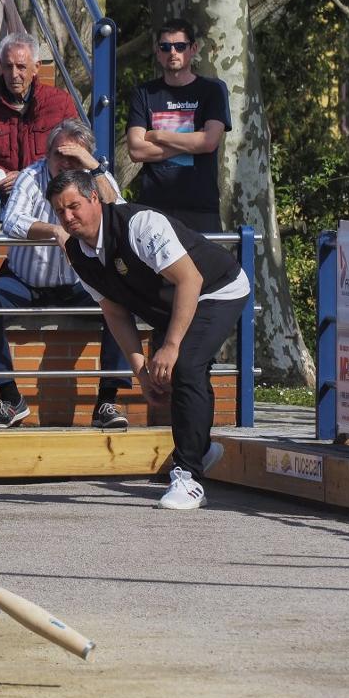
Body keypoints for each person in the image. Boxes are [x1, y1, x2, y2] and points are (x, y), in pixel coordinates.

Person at [48, 170, 249, 509]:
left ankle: (188, 477)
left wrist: (170, 346)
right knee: (175, 374)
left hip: (216, 288)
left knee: (185, 364)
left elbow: (189, 280)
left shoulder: (139, 225)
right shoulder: (78, 253)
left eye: (74, 206)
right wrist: (140, 371)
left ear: (94, 198)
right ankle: (199, 450)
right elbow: (115, 313)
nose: (68, 217)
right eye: (59, 211)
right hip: (171, 304)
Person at [0, 119, 131, 429]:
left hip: (80, 284)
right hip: (25, 281)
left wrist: (93, 167)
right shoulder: (32, 176)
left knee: (122, 303)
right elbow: (11, 222)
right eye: (60, 154)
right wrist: (54, 231)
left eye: (74, 155)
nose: (66, 162)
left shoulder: (95, 176)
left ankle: (107, 402)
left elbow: (122, 215)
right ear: (47, 154)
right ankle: (10, 399)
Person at [0, 32, 78, 302]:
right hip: (0, 190)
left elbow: (71, 150)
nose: (14, 74)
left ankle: (70, 275)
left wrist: (25, 176)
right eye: (8, 66)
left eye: (22, 67)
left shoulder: (59, 103)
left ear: (36, 67)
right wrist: (0, 176)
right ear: (0, 66)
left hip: (43, 192)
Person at [126, 17, 231, 232]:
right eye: (165, 47)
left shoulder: (213, 90)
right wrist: (192, 142)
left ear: (193, 49)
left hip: (201, 209)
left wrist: (158, 136)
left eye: (180, 46)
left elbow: (209, 142)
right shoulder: (143, 93)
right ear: (157, 52)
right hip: (153, 210)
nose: (173, 52)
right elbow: (136, 150)